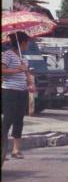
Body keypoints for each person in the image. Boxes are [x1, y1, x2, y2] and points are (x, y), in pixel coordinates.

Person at [2, 32, 33, 162]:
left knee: (19, 120)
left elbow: (26, 75)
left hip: (22, 91)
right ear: (22, 43)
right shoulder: (7, 55)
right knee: (8, 120)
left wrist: (29, 80)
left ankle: (16, 150)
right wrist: (18, 70)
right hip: (10, 91)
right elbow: (2, 70)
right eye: (27, 43)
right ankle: (3, 151)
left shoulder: (23, 58)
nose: (28, 45)